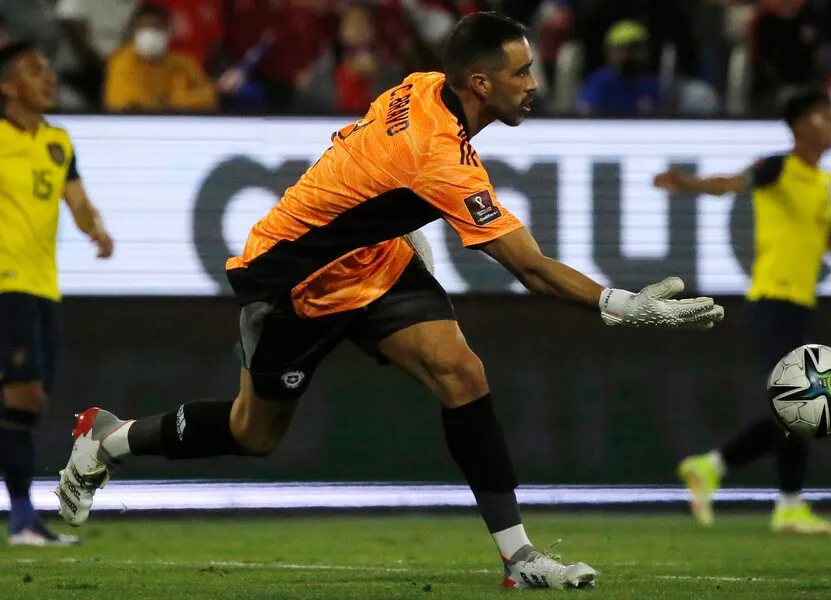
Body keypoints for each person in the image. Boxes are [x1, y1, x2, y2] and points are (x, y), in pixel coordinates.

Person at [56, 13, 722, 588]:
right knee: (252, 433)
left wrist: (394, 222)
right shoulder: (439, 156)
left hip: (376, 261)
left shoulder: (430, 86)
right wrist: (623, 304)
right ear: (481, 84)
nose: (534, 85)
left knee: (463, 374)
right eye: (521, 73)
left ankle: (518, 557)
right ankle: (109, 439)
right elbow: (532, 268)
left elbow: (375, 159)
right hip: (295, 281)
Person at [654, 88, 831, 535]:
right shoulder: (777, 167)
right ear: (805, 124)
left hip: (799, 305)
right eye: (829, 117)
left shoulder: (822, 181)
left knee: (804, 406)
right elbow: (733, 183)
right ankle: (724, 472)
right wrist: (687, 183)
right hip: (771, 302)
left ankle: (775, 499)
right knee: (808, 401)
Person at [0, 40, 114, 546]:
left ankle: (23, 518)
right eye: (33, 70)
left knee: (29, 402)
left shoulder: (58, 141)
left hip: (44, 287)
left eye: (49, 68)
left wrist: (97, 229)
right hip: (5, 284)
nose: (49, 77)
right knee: (23, 393)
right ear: (8, 87)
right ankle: (22, 518)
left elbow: (77, 198)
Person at [104, 3, 218, 113]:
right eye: (145, 28)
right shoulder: (121, 62)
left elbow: (209, 97)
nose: (151, 34)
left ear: (169, 31)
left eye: (157, 28)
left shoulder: (182, 63)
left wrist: (168, 102)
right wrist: (175, 102)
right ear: (133, 32)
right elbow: (129, 106)